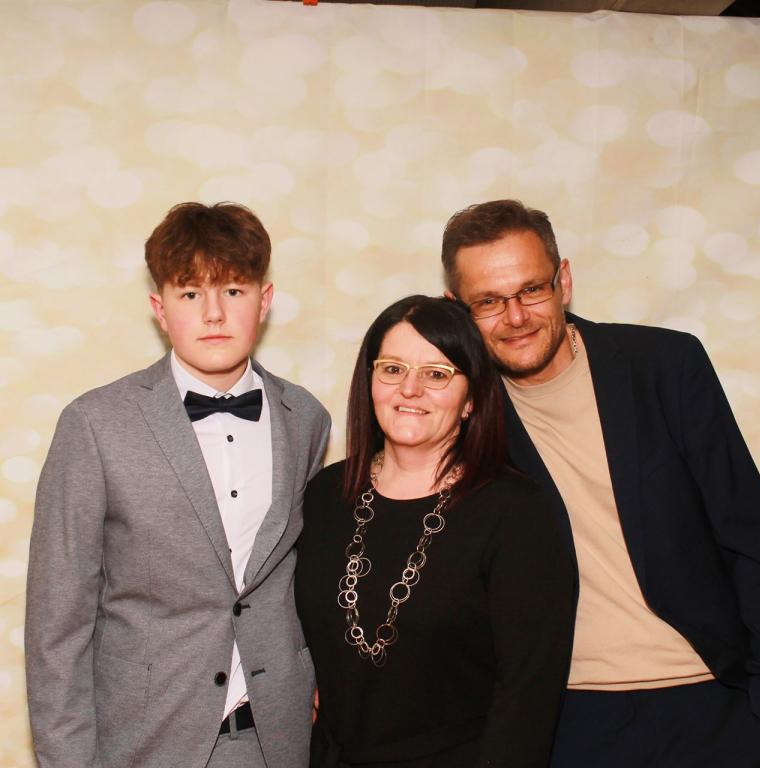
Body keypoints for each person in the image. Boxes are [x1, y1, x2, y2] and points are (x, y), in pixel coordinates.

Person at [441, 199, 760, 767]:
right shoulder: (460, 413)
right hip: (568, 720)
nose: (515, 317)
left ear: (563, 281)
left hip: (712, 696)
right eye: (488, 301)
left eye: (532, 290)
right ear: (458, 311)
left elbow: (751, 535)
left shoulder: (663, 365)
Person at [25, 202, 331, 768]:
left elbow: (307, 575)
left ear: (264, 300)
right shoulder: (94, 424)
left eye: (233, 290)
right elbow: (56, 624)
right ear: (160, 309)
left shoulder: (306, 418)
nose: (214, 313)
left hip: (276, 737)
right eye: (191, 293)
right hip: (145, 740)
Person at [295, 295, 574, 767]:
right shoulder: (325, 495)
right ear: (369, 382)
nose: (410, 389)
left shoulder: (516, 512)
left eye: (437, 374)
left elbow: (528, 696)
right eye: (392, 369)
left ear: (472, 399)